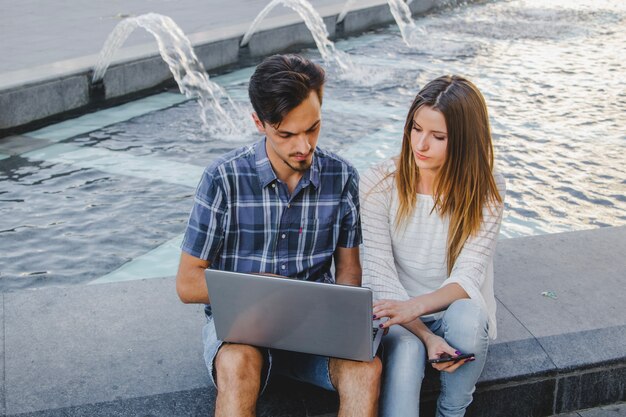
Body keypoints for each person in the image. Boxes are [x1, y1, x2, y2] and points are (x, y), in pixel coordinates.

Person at [176, 54, 382, 417]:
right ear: (259, 122)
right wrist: (260, 287)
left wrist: (344, 325)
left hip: (316, 330)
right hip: (243, 330)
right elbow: (187, 283)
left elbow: (349, 270)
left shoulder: (342, 176)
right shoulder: (222, 179)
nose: (304, 146)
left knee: (367, 369)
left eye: (313, 128)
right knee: (238, 363)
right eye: (287, 134)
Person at [360, 75, 505, 417]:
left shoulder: (487, 188)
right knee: (408, 353)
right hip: (396, 313)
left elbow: (468, 277)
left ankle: (451, 411)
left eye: (438, 137)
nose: (420, 145)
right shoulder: (378, 183)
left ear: (464, 142)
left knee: (469, 317)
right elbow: (380, 276)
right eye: (416, 129)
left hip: (452, 308)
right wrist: (425, 335)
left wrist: (418, 307)